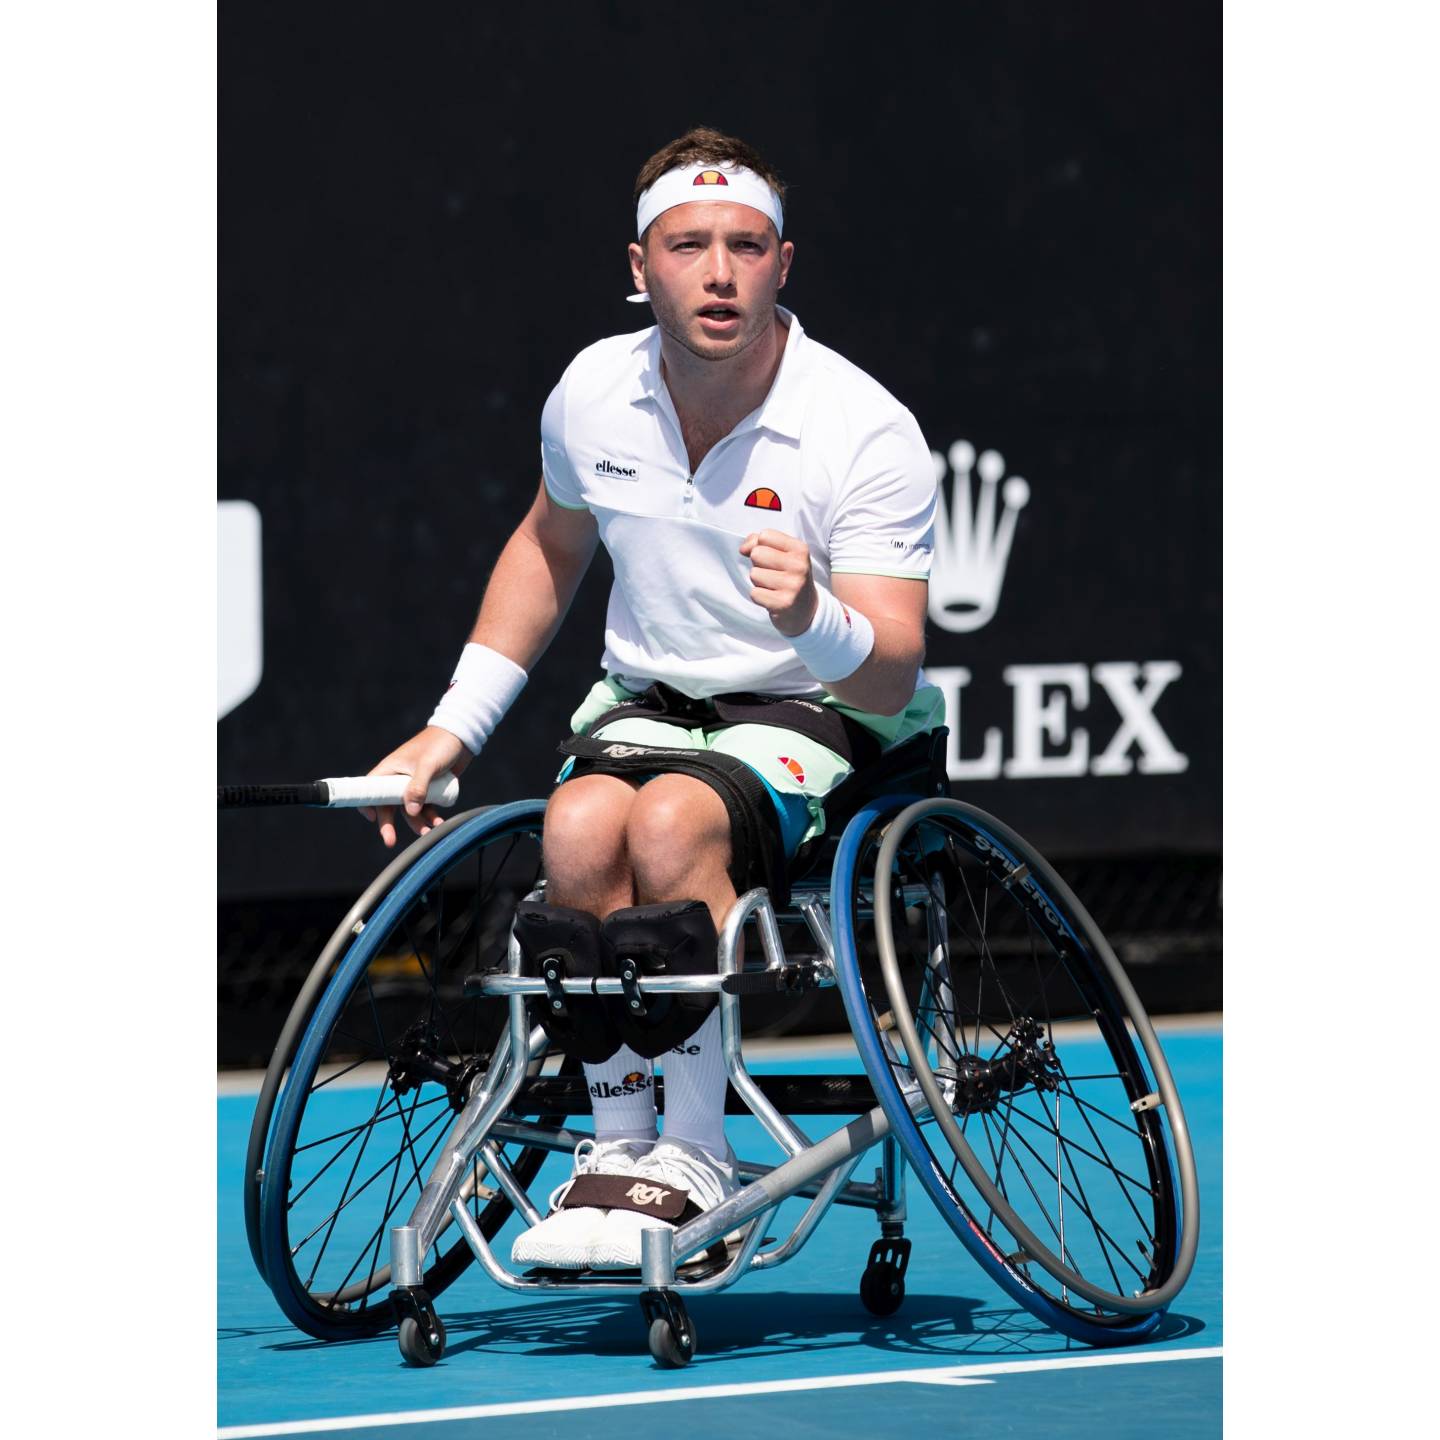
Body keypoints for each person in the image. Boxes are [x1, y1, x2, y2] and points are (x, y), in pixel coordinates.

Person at [363, 126, 943, 1270]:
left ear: (785, 263)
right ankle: (619, 1140)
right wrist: (451, 727)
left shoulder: (865, 428)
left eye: (745, 245)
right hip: (653, 701)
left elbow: (891, 670)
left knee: (674, 817)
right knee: (579, 824)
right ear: (642, 268)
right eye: (689, 245)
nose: (718, 271)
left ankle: (694, 1148)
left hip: (818, 709)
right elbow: (546, 550)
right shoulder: (592, 390)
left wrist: (809, 617)